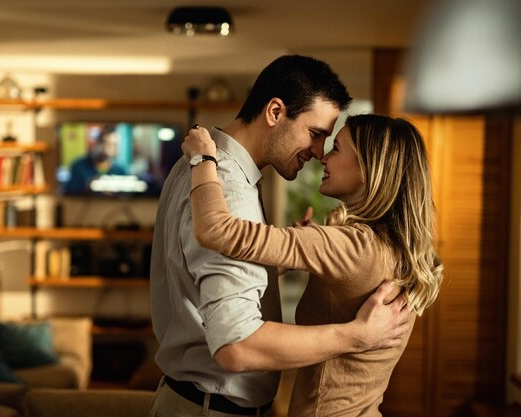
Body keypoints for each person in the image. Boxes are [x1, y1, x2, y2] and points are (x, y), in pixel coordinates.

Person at [150, 54, 411, 417]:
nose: (319, 153)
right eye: (316, 134)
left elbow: (206, 273)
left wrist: (275, 259)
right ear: (275, 112)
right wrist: (356, 335)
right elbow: (237, 345)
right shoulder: (222, 185)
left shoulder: (202, 164)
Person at [181, 114, 444, 416]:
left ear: (368, 169)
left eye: (337, 148)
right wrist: (299, 252)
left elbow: (216, 230)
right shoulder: (390, 248)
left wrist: (203, 158)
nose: (323, 158)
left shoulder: (350, 246)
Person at [64, 125, 125, 195]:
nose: (110, 149)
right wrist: (88, 186)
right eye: (107, 144)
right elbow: (68, 191)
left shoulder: (120, 170)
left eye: (115, 145)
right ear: (98, 143)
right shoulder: (78, 166)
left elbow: (130, 193)